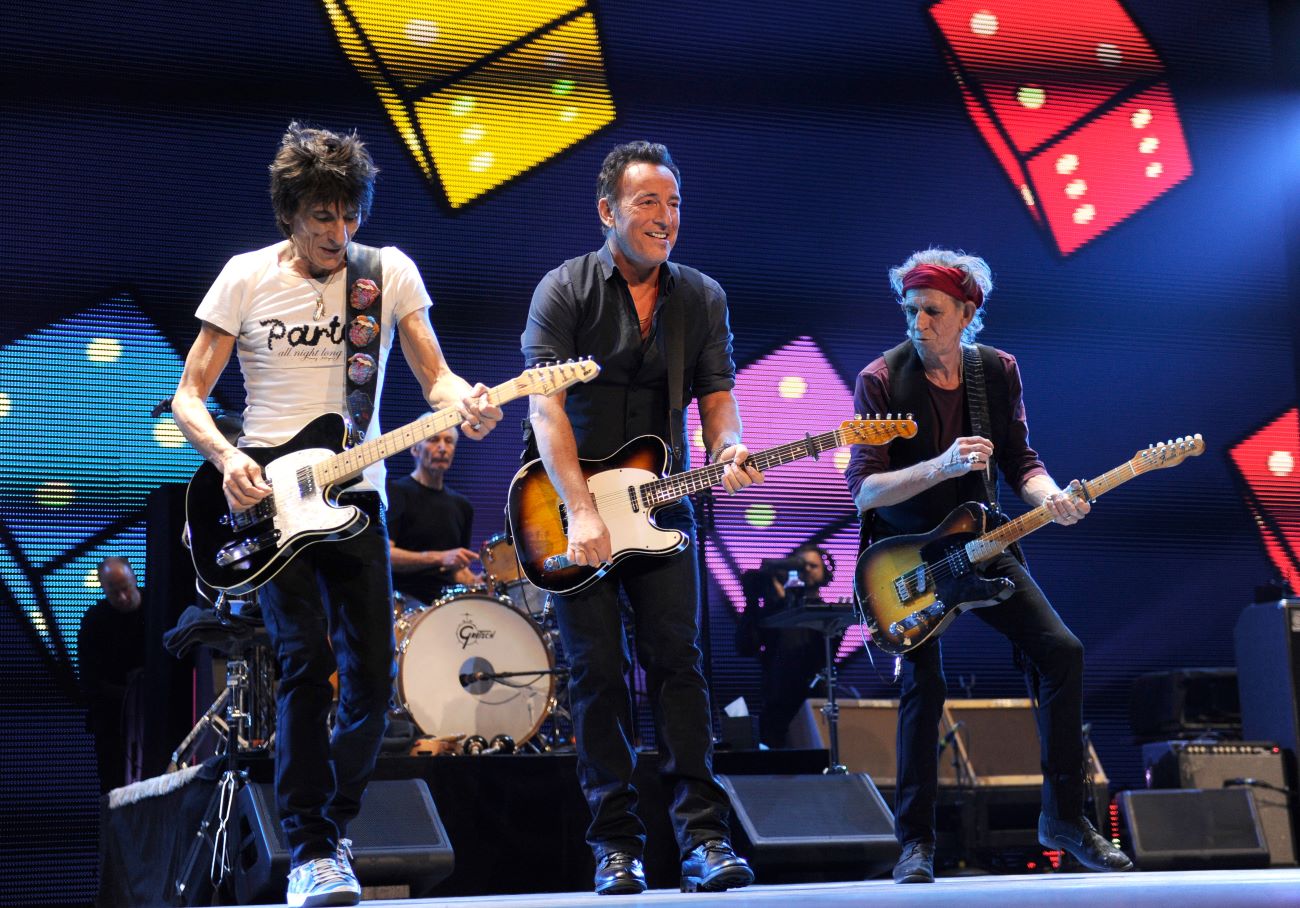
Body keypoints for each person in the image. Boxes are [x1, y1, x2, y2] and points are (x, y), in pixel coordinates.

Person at [172, 122, 501, 908]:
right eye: (323, 216)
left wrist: (469, 403)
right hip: (269, 502)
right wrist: (229, 460)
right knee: (302, 665)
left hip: (358, 495)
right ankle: (313, 850)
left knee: (371, 682)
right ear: (291, 211)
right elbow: (189, 396)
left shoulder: (383, 275)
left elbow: (437, 376)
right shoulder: (244, 278)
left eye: (350, 215)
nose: (339, 232)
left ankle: (329, 828)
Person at [844, 248, 1133, 883]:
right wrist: (939, 465)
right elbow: (863, 491)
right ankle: (915, 844)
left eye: (932, 312)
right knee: (924, 685)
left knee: (1061, 652)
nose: (918, 324)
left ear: (967, 313)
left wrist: (1049, 496)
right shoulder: (881, 379)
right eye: (911, 310)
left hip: (981, 539)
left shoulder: (996, 372)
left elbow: (1022, 462)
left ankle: (1063, 818)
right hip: (904, 557)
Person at [521, 140, 759, 895]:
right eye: (648, 202)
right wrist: (580, 510)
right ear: (608, 212)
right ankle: (615, 848)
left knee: (679, 668)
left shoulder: (701, 297)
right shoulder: (563, 290)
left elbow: (717, 396)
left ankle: (704, 840)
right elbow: (544, 409)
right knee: (597, 676)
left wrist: (729, 446)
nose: (666, 217)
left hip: (663, 503)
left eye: (675, 203)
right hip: (572, 512)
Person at [736, 544, 834, 747]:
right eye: (800, 565)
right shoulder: (775, 612)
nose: (806, 570)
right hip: (775, 704)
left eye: (812, 566)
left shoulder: (830, 617)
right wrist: (754, 603)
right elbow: (745, 647)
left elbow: (818, 654)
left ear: (826, 572)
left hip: (812, 701)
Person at [77, 557, 147, 794]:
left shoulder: (159, 608)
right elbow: (90, 682)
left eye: (126, 589)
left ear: (134, 579)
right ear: (104, 590)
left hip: (155, 720)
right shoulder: (94, 623)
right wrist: (128, 692)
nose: (123, 598)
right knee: (114, 790)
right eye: (114, 593)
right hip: (113, 727)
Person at [386, 427, 478, 605]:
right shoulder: (395, 492)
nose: (442, 448)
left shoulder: (463, 506)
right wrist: (440, 557)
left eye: (449, 441)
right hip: (403, 604)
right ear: (415, 449)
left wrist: (479, 582)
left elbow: (457, 570)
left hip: (447, 604)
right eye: (433, 439)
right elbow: (385, 555)